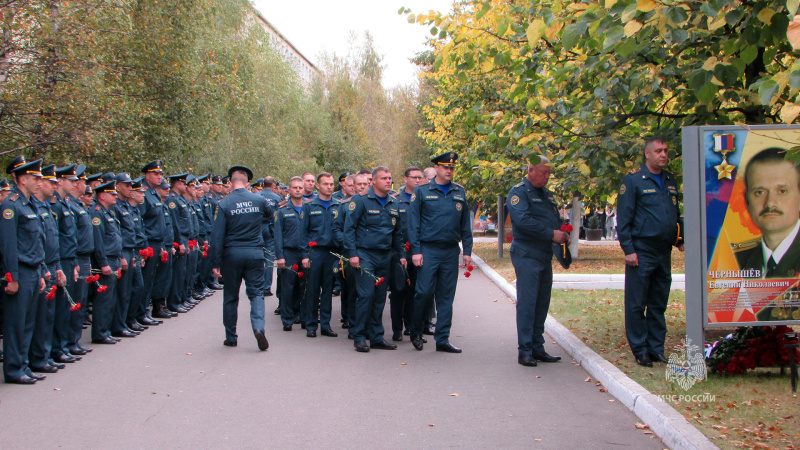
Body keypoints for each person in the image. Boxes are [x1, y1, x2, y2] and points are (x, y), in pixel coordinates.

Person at [617, 136, 684, 367]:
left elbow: (674, 215)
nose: (663, 154)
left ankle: (656, 349)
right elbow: (624, 218)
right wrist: (628, 249)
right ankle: (640, 349)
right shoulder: (634, 180)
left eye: (666, 150)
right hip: (641, 251)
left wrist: (680, 239)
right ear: (647, 154)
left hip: (663, 252)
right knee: (636, 304)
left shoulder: (670, 180)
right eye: (658, 151)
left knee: (658, 303)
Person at [408, 153, 473, 353]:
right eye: (445, 167)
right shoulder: (422, 192)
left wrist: (467, 251)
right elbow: (413, 223)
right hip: (428, 250)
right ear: (436, 168)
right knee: (424, 292)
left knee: (446, 296)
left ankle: (442, 338)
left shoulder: (459, 192)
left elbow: (465, 225)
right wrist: (416, 250)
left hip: (450, 251)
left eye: (452, 168)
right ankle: (416, 331)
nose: (449, 170)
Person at [507, 158, 568, 367]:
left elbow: (552, 219)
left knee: (542, 302)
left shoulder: (547, 194)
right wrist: (551, 233)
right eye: (543, 173)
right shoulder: (519, 193)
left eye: (549, 173)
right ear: (531, 170)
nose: (547, 177)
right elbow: (523, 221)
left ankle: (537, 347)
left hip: (544, 254)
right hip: (526, 253)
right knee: (528, 302)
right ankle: (524, 350)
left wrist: (561, 232)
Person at [343, 166, 405, 352]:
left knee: (379, 297)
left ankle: (377, 337)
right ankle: (360, 336)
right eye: (384, 178)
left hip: (384, 256)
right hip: (365, 255)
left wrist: (401, 255)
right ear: (374, 181)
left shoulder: (393, 203)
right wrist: (353, 254)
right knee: (366, 295)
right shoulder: (361, 201)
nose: (388, 181)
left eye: (390, 178)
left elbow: (397, 234)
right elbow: (349, 229)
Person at [211, 166, 270, 351]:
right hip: (254, 252)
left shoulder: (224, 203)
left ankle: (231, 336)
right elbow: (270, 216)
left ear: (230, 183)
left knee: (230, 296)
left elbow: (217, 237)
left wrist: (215, 262)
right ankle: (258, 328)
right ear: (247, 183)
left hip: (232, 254)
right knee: (257, 294)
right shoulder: (259, 200)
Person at [1, 157, 47, 384]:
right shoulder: (10, 205)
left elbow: (37, 241)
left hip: (33, 269)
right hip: (19, 270)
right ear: (21, 179)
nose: (39, 182)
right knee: (16, 324)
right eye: (35, 178)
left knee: (28, 323)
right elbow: (8, 245)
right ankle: (13, 369)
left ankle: (23, 365)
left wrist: (41, 271)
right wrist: (13, 277)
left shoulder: (30, 204)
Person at [29, 164, 68, 373]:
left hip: (52, 265)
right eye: (50, 182)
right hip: (40, 267)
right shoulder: (32, 206)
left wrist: (57, 266)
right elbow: (36, 244)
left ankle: (44, 355)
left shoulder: (45, 207)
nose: (54, 186)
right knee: (40, 316)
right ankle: (37, 358)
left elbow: (54, 241)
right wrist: (44, 267)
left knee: (48, 314)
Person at [300, 172, 337, 338]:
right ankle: (311, 324)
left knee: (328, 290)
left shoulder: (338, 205)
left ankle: (326, 325)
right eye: (325, 184)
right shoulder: (309, 206)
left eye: (331, 184)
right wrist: (304, 255)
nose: (329, 187)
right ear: (318, 186)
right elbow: (303, 233)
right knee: (313, 289)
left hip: (332, 252)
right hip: (315, 252)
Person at [389, 166, 423, 341]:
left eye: (420, 177)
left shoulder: (424, 198)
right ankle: (396, 329)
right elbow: (393, 229)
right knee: (398, 292)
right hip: (399, 253)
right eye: (414, 177)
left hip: (418, 252)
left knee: (415, 292)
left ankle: (411, 327)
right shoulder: (395, 200)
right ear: (405, 179)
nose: (418, 180)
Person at [89, 180, 123, 345]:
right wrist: (103, 263)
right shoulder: (97, 213)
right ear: (102, 196)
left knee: (110, 297)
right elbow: (98, 241)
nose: (116, 196)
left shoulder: (108, 212)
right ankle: (100, 332)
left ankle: (105, 330)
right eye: (112, 193)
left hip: (113, 258)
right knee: (103, 299)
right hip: (106, 260)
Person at [274, 177, 306, 331]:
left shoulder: (310, 208)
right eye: (295, 187)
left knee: (304, 285)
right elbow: (278, 235)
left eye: (300, 187)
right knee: (288, 286)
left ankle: (300, 313)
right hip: (289, 253)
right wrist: (279, 256)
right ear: (289, 190)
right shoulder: (282, 211)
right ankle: (287, 318)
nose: (298, 190)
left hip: (306, 253)